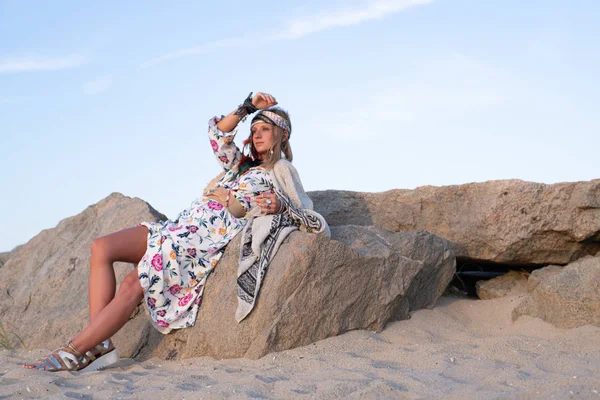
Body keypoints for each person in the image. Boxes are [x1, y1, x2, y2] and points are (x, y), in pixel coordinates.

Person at [23, 92, 327, 372]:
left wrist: (273, 206)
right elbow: (218, 134)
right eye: (254, 129)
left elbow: (309, 215)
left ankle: (73, 351)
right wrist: (248, 106)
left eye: (265, 129)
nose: (256, 134)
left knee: (133, 283)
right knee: (102, 248)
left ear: (282, 134)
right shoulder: (239, 165)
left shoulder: (280, 170)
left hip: (199, 244)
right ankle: (99, 344)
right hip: (178, 229)